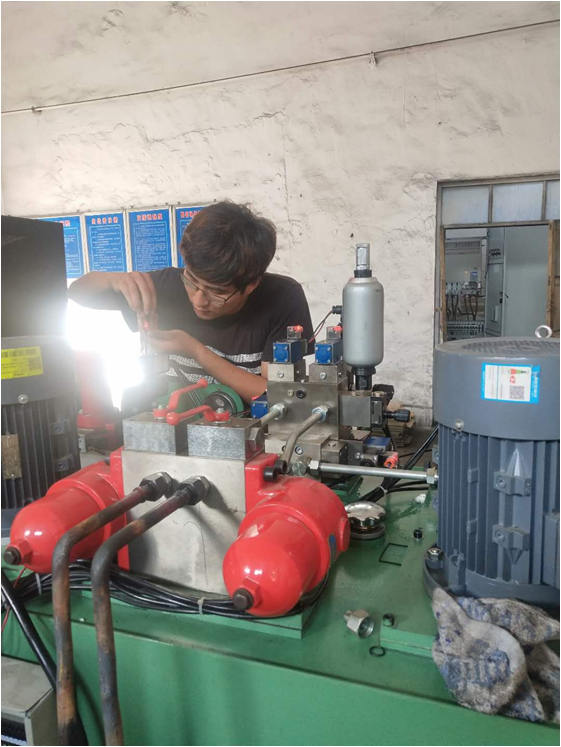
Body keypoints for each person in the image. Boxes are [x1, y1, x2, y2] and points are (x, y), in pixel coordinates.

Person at [68, 201, 314, 405]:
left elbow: (277, 397)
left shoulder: (281, 298)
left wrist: (195, 351)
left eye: (216, 293)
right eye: (192, 282)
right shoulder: (165, 285)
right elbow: (77, 293)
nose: (199, 300)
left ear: (251, 285)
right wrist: (113, 280)